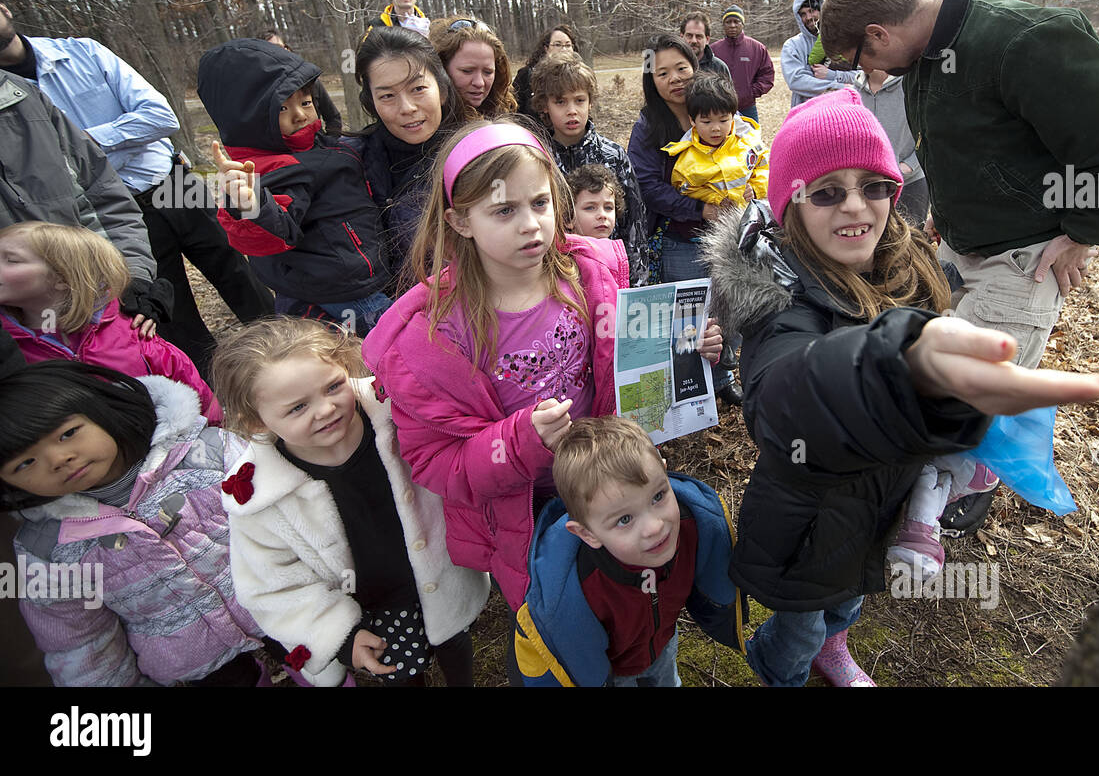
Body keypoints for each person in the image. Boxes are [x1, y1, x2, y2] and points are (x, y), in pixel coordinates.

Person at [699, 88, 1099, 687]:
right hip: (808, 518)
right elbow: (784, 399)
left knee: (852, 599)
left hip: (887, 498)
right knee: (801, 623)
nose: (856, 206)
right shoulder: (778, 301)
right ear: (791, 205)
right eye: (827, 191)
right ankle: (777, 669)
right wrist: (893, 365)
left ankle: (837, 648)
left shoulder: (912, 268)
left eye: (875, 186)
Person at [361, 120, 722, 683]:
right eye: (503, 212)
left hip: (613, 500)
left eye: (540, 203)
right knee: (564, 627)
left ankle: (651, 662)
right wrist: (518, 442)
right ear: (460, 221)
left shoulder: (588, 276)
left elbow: (619, 370)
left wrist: (681, 350)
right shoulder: (432, 340)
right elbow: (434, 465)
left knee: (638, 606)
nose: (531, 226)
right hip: (523, 525)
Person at [819, 0, 1099, 371]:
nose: (867, 71)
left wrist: (1086, 232)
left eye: (860, 59)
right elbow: (975, 141)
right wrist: (949, 209)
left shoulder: (1023, 40)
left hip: (1020, 260)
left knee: (966, 401)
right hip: (958, 250)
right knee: (927, 382)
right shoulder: (925, 52)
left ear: (878, 34)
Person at [212, 317, 490, 687]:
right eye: (297, 408)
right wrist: (339, 634)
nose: (326, 409)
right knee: (402, 673)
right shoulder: (259, 497)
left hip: (444, 571)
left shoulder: (399, 412)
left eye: (333, 386)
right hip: (375, 606)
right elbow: (272, 583)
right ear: (257, 423)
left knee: (455, 640)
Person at [0, 4, 271, 377]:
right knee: (168, 311)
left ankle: (281, 356)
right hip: (118, 214)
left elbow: (160, 116)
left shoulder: (84, 53)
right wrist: (122, 136)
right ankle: (216, 390)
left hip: (173, 184)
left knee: (239, 275)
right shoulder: (9, 99)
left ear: (5, 8)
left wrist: (84, 144)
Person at [1, 361, 265, 686]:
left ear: (100, 410)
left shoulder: (206, 454)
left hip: (281, 602)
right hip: (191, 658)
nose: (58, 460)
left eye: (68, 434)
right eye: (25, 463)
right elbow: (79, 640)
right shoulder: (46, 548)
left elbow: (292, 517)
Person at [513, 416, 745, 687]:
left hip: (663, 643)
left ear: (664, 472)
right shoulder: (575, 587)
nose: (655, 527)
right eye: (624, 520)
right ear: (588, 534)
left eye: (658, 497)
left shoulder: (696, 526)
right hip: (614, 670)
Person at [198, 38, 392, 335]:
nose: (300, 114)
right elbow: (278, 228)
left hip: (357, 272)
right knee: (398, 337)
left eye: (305, 102)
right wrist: (251, 203)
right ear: (251, 120)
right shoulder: (274, 167)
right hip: (344, 287)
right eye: (282, 108)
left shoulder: (313, 146)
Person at [0, 69, 171, 335]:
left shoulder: (20, 95)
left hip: (96, 312)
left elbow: (102, 199)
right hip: (17, 344)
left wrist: (131, 278)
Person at [0, 221, 220, 422]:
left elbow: (190, 386)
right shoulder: (10, 352)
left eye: (11, 260)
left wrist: (216, 428)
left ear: (61, 278)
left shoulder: (133, 333)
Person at [628, 36, 743, 405]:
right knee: (689, 312)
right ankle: (691, 388)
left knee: (727, 306)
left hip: (730, 234)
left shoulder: (716, 108)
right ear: (651, 78)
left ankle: (723, 377)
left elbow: (749, 155)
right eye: (663, 73)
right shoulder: (649, 125)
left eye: (682, 68)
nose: (675, 79)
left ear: (696, 67)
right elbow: (647, 184)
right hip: (681, 237)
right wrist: (699, 209)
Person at [342, 25, 463, 292]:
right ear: (371, 103)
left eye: (418, 88)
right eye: (387, 96)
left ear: (442, 90)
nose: (407, 108)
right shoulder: (348, 163)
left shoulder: (473, 155)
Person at [529, 50, 650, 285]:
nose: (571, 110)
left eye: (579, 100)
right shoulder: (537, 158)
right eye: (560, 101)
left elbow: (634, 225)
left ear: (590, 101)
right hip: (555, 279)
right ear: (545, 105)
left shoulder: (612, 155)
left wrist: (636, 285)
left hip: (611, 275)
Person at [662, 72, 768, 209]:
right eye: (706, 122)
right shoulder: (687, 160)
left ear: (733, 116)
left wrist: (756, 189)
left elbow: (766, 166)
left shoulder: (748, 141)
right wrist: (715, 199)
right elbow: (685, 189)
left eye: (723, 120)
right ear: (692, 120)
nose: (716, 128)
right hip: (718, 223)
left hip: (754, 212)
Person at [855, 68, 927, 225]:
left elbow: (930, 131)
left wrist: (910, 166)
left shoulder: (912, 85)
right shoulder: (853, 92)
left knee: (913, 245)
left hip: (910, 184)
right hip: (869, 189)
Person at [781, 0, 858, 107]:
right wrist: (837, 87)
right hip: (807, 111)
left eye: (811, 11)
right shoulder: (792, 46)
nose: (808, 17)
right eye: (803, 14)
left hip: (844, 109)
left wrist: (833, 75)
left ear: (822, 9)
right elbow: (796, 81)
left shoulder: (842, 40)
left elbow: (861, 75)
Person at [261, 29, 343, 137]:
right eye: (270, 50)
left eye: (280, 47)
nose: (277, 53)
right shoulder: (261, 91)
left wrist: (330, 142)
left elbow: (333, 117)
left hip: (317, 146)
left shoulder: (310, 82)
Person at [431, 17, 517, 119]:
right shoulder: (426, 124)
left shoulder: (502, 114)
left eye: (488, 72)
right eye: (467, 71)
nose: (479, 83)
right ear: (442, 69)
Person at [708, 5, 774, 124]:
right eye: (728, 22)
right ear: (723, 25)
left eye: (736, 21)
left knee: (751, 141)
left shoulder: (757, 48)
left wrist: (750, 93)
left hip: (747, 108)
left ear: (742, 24)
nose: (732, 25)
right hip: (719, 109)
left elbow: (767, 75)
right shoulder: (713, 50)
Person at [513, 24, 578, 124]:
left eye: (568, 45)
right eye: (558, 44)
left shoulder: (579, 75)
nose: (564, 49)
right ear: (546, 48)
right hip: (534, 135)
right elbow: (513, 110)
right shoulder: (527, 75)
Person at [566, 163, 623, 240]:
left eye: (608, 208)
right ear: (569, 218)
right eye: (590, 208)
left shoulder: (614, 248)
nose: (602, 215)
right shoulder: (569, 251)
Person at [679, 11, 730, 80]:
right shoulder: (671, 65)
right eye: (689, 36)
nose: (694, 40)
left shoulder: (719, 68)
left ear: (707, 39)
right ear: (681, 37)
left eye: (699, 36)